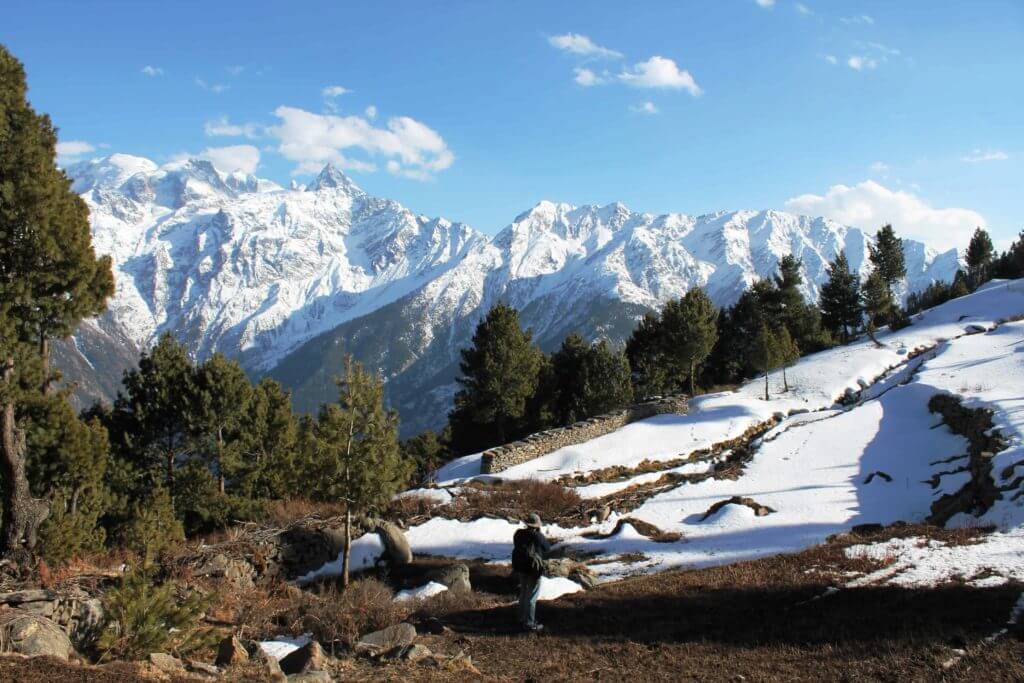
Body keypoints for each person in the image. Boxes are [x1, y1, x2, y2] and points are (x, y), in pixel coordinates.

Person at [511, 512, 551, 632]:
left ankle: (521, 618)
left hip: (521, 568)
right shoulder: (538, 536)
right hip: (534, 569)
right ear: (537, 525)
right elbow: (547, 548)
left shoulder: (518, 534)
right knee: (532, 596)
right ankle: (529, 623)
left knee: (523, 592)